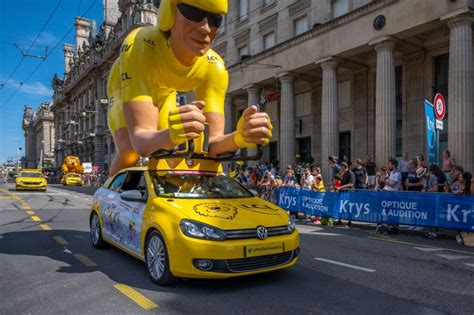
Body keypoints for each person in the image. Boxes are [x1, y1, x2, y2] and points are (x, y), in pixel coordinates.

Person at [107, 0, 273, 176]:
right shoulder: (139, 44)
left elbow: (212, 146)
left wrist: (239, 137)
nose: (205, 28)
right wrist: (171, 135)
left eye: (215, 19)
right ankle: (107, 196)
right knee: (129, 153)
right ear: (169, 13)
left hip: (165, 92)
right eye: (193, 13)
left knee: (177, 159)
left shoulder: (214, 67)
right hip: (123, 88)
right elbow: (141, 141)